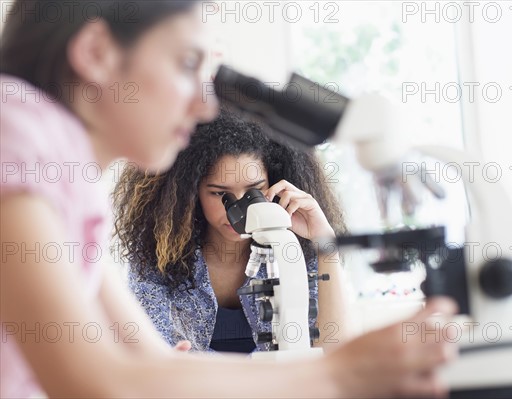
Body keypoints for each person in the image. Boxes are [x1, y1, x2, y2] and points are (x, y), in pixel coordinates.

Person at [0, 1, 458, 398]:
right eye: (186, 63)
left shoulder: (69, 184)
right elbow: (98, 384)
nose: (204, 105)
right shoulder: (14, 131)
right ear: (97, 52)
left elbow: (149, 364)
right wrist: (345, 374)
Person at [113, 109, 350, 354]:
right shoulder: (156, 258)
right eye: (219, 194)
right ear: (191, 193)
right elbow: (151, 358)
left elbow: (335, 352)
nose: (238, 210)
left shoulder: (294, 248)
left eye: (254, 191)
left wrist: (326, 244)